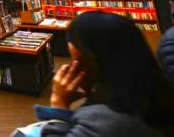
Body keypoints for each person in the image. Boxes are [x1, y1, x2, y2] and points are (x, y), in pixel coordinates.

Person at [26, 12, 174, 136]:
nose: (72, 68)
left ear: (98, 63)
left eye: (77, 60)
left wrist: (58, 104)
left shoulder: (107, 122)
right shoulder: (154, 92)